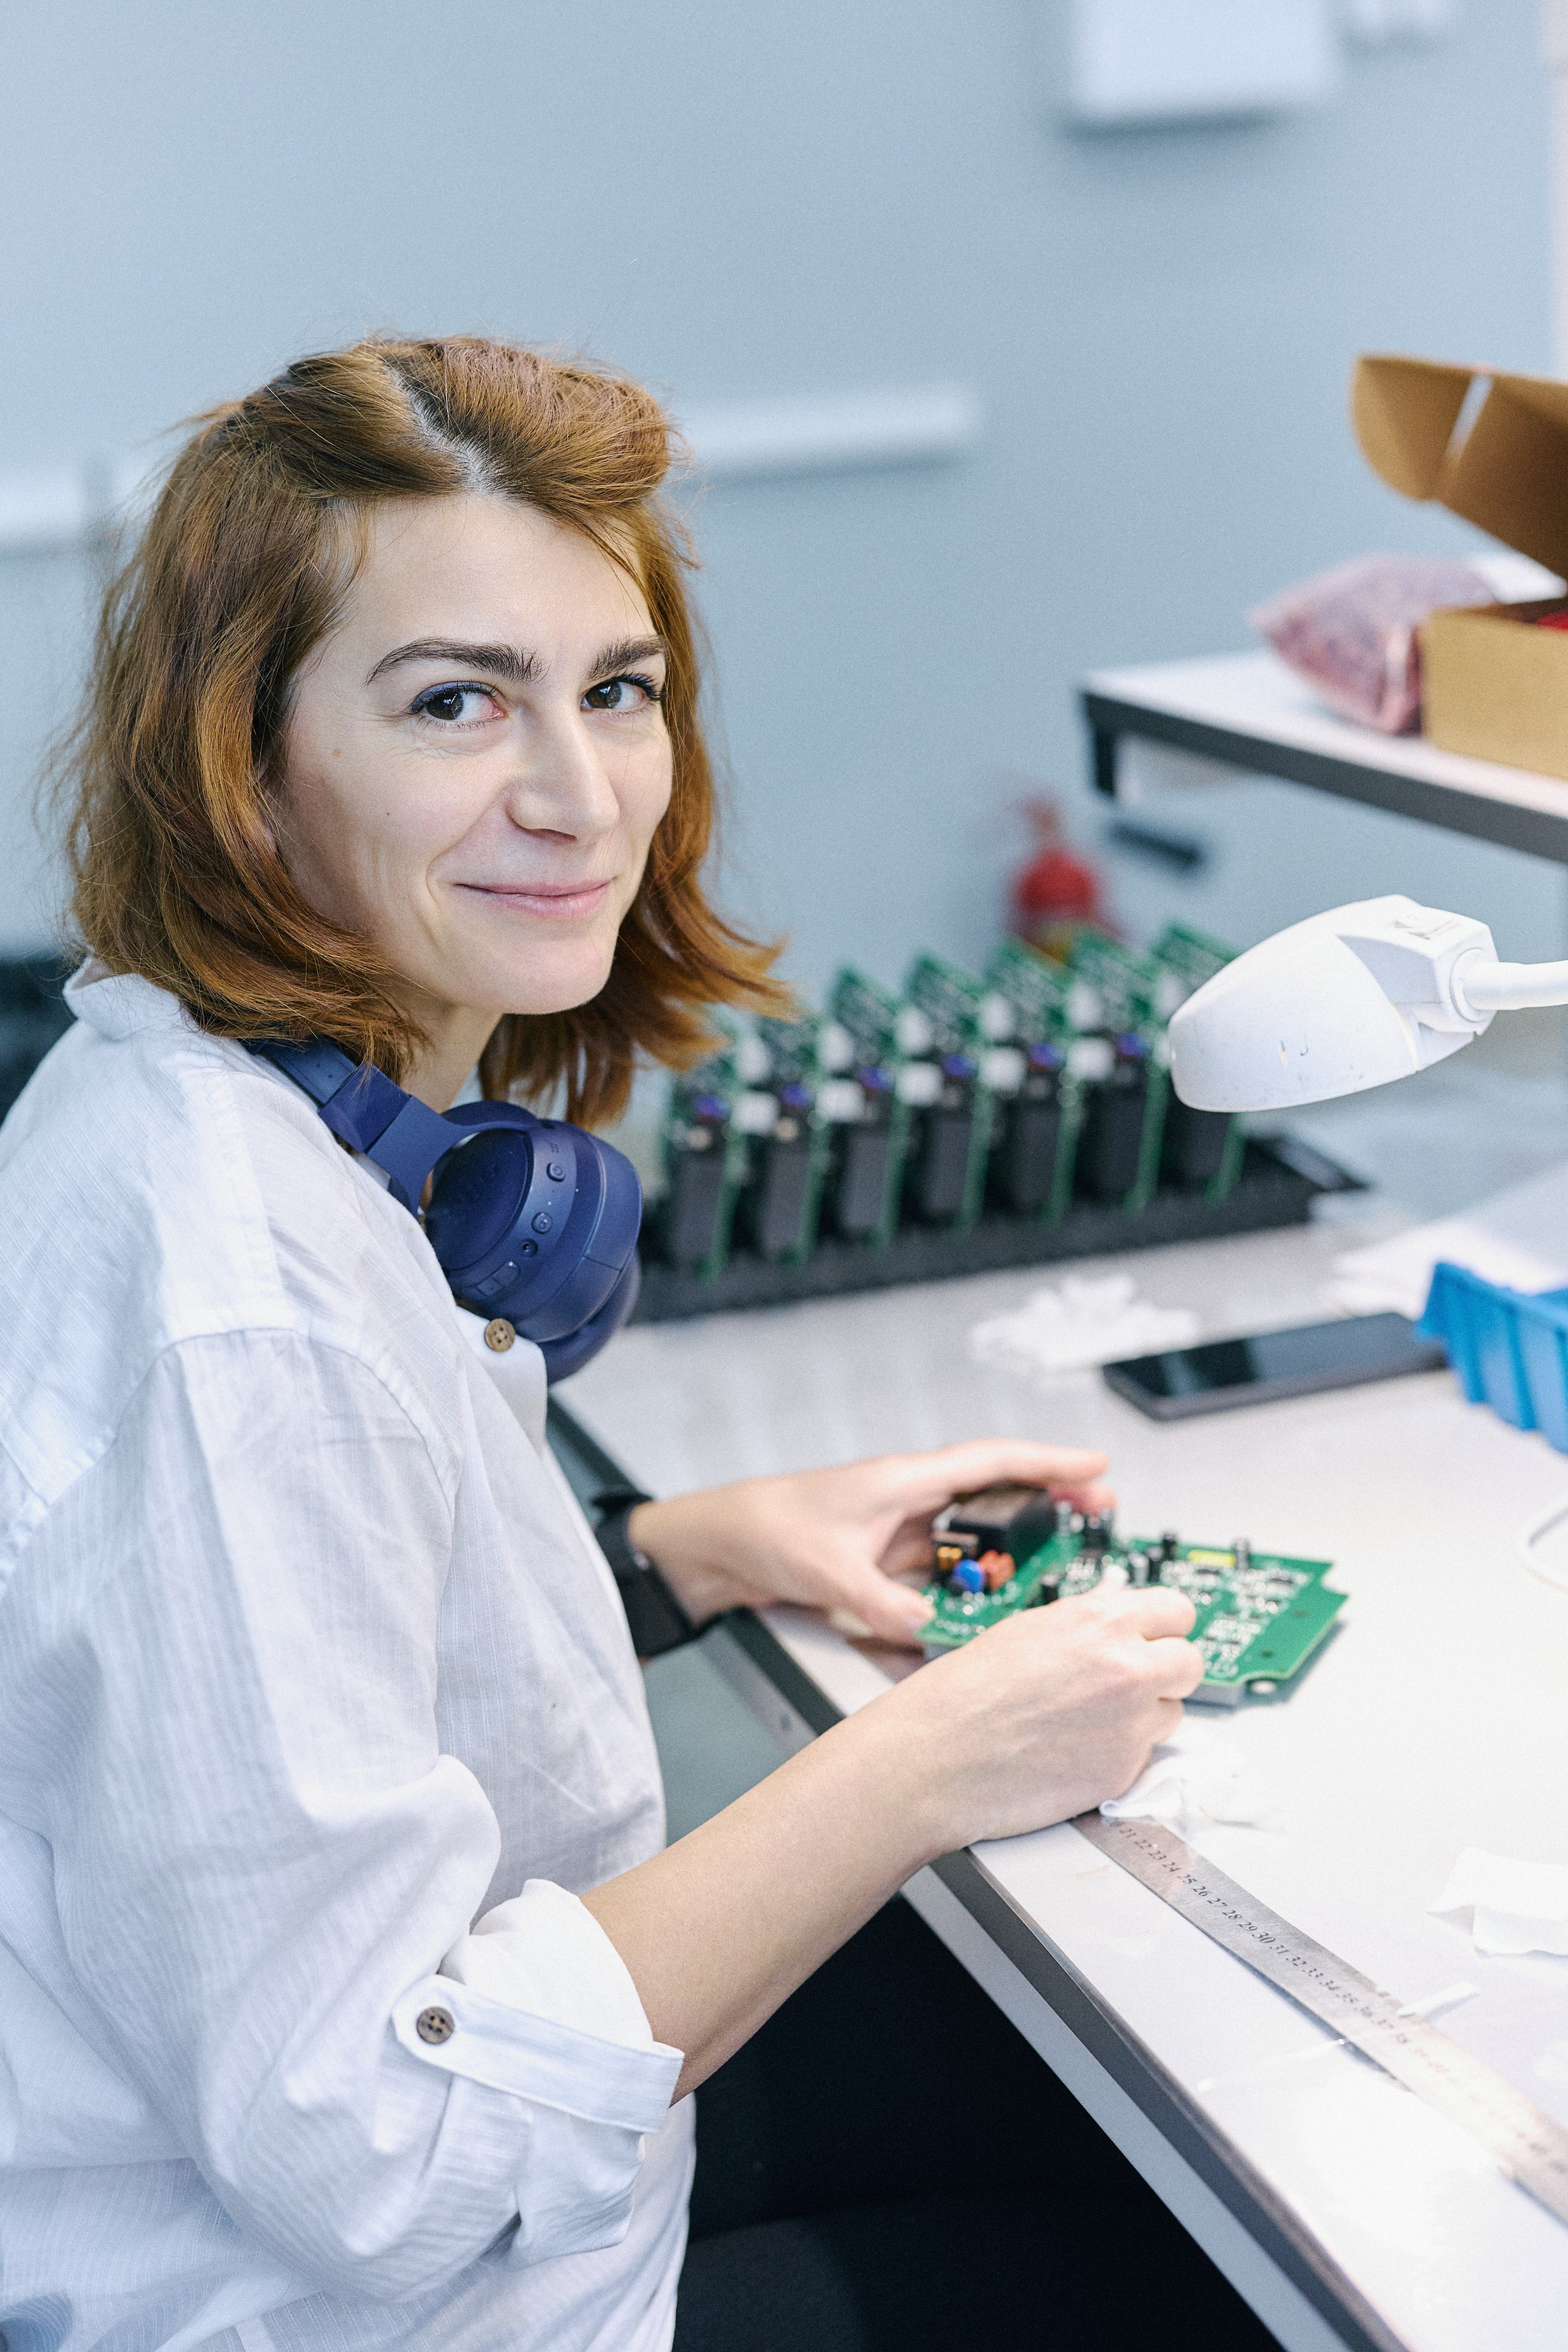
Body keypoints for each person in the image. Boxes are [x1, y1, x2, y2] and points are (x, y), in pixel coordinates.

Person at [0, 337, 1265, 2352]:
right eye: (453, 704)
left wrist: (683, 1549)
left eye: (618, 690)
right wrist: (924, 1758)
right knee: (1213, 2272)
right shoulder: (242, 1314)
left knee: (1099, 2099)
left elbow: (273, 1669)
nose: (578, 794)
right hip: (347, 2297)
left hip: (367, 2188)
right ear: (244, 768)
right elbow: (387, 2161)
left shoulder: (192, 1092)